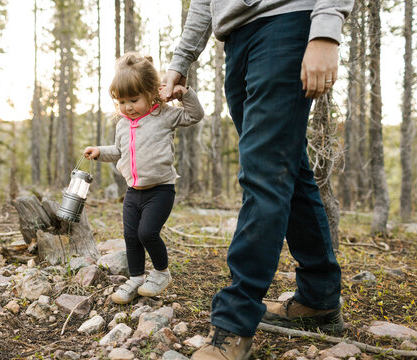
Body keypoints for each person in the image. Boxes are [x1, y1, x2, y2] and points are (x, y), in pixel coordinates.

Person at [160, 0, 353, 359]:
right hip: (236, 40)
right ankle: (319, 298)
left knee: (263, 174)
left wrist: (326, 28)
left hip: (288, 23)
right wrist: (180, 61)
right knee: (287, 170)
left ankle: (234, 323)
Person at [84, 52, 204, 305]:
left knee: (147, 232)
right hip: (133, 191)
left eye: (134, 99)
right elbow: (118, 151)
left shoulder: (164, 115)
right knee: (131, 236)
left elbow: (194, 116)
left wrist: (185, 94)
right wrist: (99, 152)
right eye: (122, 101)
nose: (127, 107)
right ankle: (136, 278)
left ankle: (162, 273)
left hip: (160, 189)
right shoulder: (122, 125)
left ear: (151, 92)